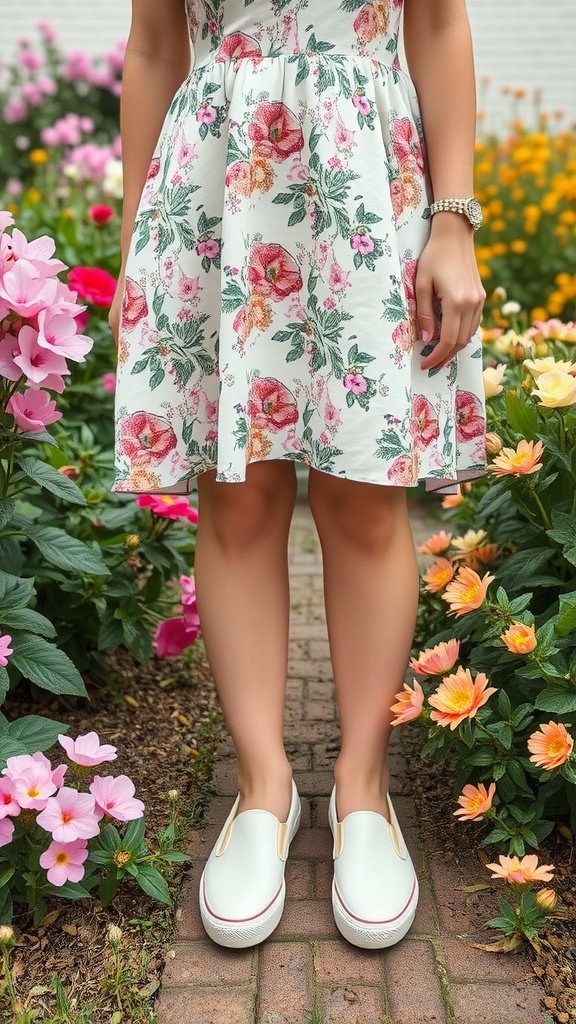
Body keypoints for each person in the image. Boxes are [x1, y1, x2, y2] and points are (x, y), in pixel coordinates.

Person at [109, 0, 487, 950]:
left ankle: (364, 790)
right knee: (238, 500)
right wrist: (134, 245)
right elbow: (156, 41)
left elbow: (436, 24)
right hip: (214, 184)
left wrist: (454, 224)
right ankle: (262, 789)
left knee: (365, 500)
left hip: (366, 173)